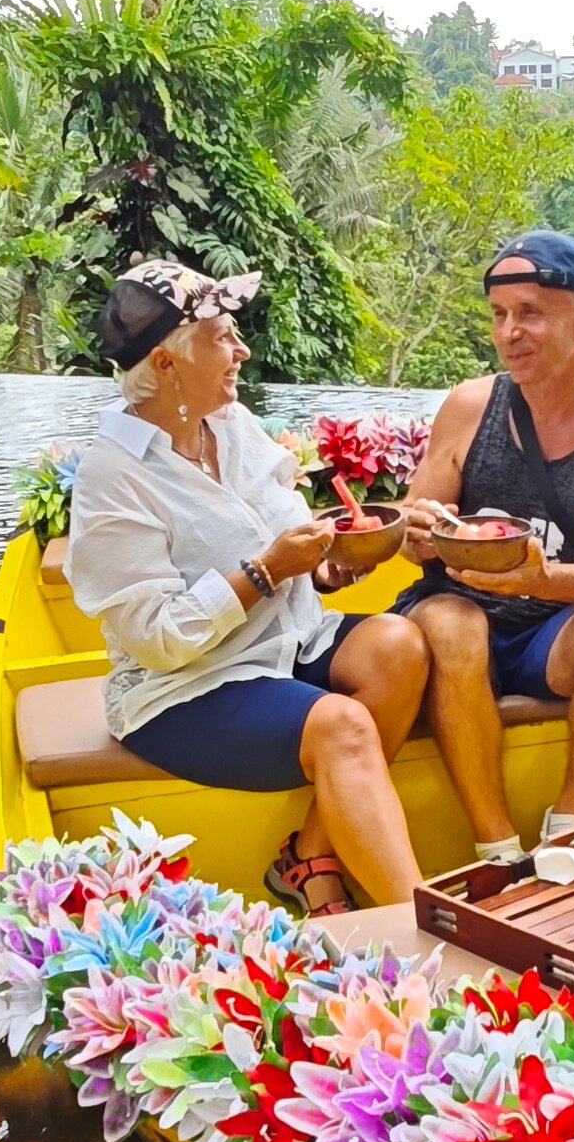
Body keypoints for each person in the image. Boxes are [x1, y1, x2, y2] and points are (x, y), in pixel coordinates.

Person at [64, 259, 426, 914]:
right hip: (186, 687)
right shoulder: (110, 476)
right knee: (342, 725)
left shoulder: (229, 424)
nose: (242, 349)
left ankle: (307, 858)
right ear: (167, 364)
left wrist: (329, 565)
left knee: (400, 645)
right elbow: (157, 642)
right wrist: (267, 572)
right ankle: (425, 927)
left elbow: (287, 538)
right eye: (222, 336)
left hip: (286, 643)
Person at [399, 228, 574, 858]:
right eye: (499, 315)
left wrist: (545, 582)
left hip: (553, 631)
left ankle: (569, 828)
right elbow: (418, 528)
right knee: (451, 622)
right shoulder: (471, 406)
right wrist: (418, 531)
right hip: (459, 612)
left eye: (529, 314)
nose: (508, 333)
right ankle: (495, 846)